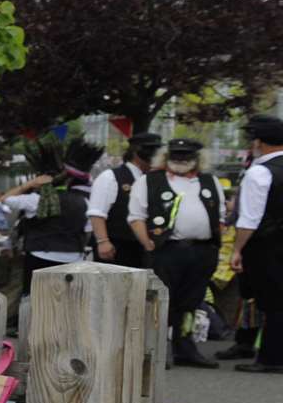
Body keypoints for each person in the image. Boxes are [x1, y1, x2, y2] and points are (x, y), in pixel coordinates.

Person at [127, 138, 224, 368]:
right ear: (166, 157)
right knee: (160, 302)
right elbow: (136, 217)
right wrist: (148, 244)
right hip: (166, 251)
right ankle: (155, 350)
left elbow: (219, 217)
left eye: (186, 156)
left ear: (198, 159)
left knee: (191, 302)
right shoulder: (149, 181)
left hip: (201, 251)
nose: (180, 160)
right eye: (176, 155)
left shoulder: (210, 181)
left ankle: (185, 348)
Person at [0, 140, 104, 294]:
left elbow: (3, 200)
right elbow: (87, 230)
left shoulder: (36, 200)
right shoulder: (84, 201)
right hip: (73, 258)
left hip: (40, 255)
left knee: (36, 299)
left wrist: (28, 184)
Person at [228, 115, 283, 373]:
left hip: (265, 245)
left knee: (270, 302)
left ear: (259, 142)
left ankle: (272, 358)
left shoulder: (259, 172)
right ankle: (261, 350)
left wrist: (237, 249)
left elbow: (250, 217)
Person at [88, 132, 161, 268]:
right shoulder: (111, 177)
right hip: (117, 246)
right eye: (150, 149)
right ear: (135, 151)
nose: (155, 155)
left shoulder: (155, 179)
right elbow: (97, 212)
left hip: (145, 249)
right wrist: (103, 241)